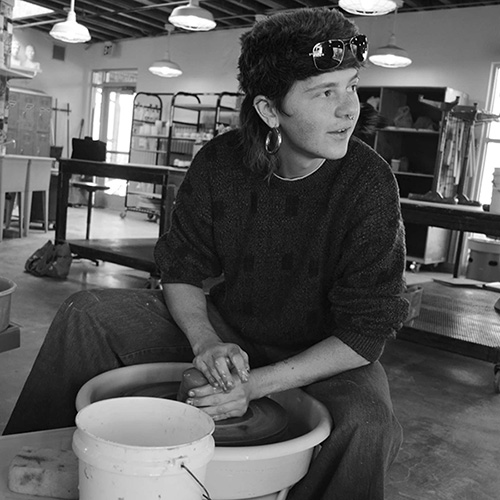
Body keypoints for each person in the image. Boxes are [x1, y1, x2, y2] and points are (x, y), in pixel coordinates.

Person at [4, 7, 409, 499]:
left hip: (323, 352)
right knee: (85, 311)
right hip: (230, 329)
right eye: (326, 92)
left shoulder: (368, 183)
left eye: (352, 85)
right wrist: (204, 342)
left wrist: (255, 386)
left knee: (369, 425)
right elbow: (182, 266)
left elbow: (366, 331)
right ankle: (29, 467)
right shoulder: (221, 163)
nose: (351, 109)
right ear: (268, 110)